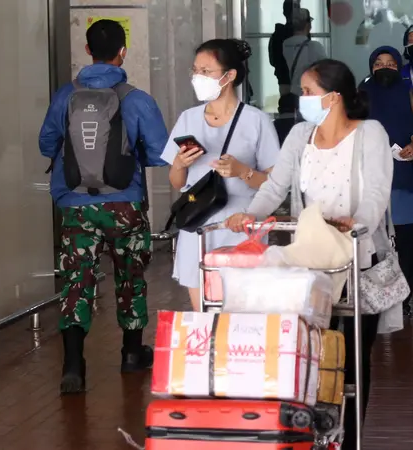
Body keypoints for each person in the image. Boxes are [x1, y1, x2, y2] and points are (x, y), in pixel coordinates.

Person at [224, 59, 392, 450]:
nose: (303, 99)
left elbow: (376, 193)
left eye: (309, 91)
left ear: (334, 97)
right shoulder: (300, 135)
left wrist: (358, 222)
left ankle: (349, 438)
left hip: (356, 259)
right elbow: (275, 186)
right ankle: (311, 436)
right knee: (308, 353)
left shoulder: (370, 134)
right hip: (310, 263)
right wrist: (250, 214)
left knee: (349, 359)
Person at [38, 19, 169, 394]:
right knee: (131, 275)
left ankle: (73, 367)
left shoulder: (66, 96)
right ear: (123, 52)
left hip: (76, 205)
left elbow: (47, 143)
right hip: (125, 205)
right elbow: (160, 154)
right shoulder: (136, 99)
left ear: (87, 50)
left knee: (76, 280)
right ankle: (131, 353)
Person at [162, 39, 280, 311]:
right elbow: (177, 182)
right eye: (195, 70)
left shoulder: (256, 120)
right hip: (197, 223)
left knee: (240, 315)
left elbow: (274, 184)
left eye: (206, 70)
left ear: (230, 76)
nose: (198, 77)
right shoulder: (188, 119)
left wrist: (243, 172)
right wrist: (179, 163)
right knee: (204, 314)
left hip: (240, 226)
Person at [359, 46, 413, 317]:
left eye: (391, 63)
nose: (385, 67)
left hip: (405, 185)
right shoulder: (358, 98)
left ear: (399, 68)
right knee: (369, 247)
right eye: (379, 63)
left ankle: (402, 300)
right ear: (371, 68)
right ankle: (373, 298)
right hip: (367, 187)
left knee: (408, 246)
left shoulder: (412, 95)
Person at [283, 8, 327, 96]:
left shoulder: (285, 44)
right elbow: (326, 69)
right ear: (308, 25)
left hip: (293, 90)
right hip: (308, 91)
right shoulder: (314, 46)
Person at [269, 0, 300, 95]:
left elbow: (273, 60)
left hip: (283, 77)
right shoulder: (301, 35)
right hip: (299, 78)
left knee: (286, 105)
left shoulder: (277, 34)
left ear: (284, 12)